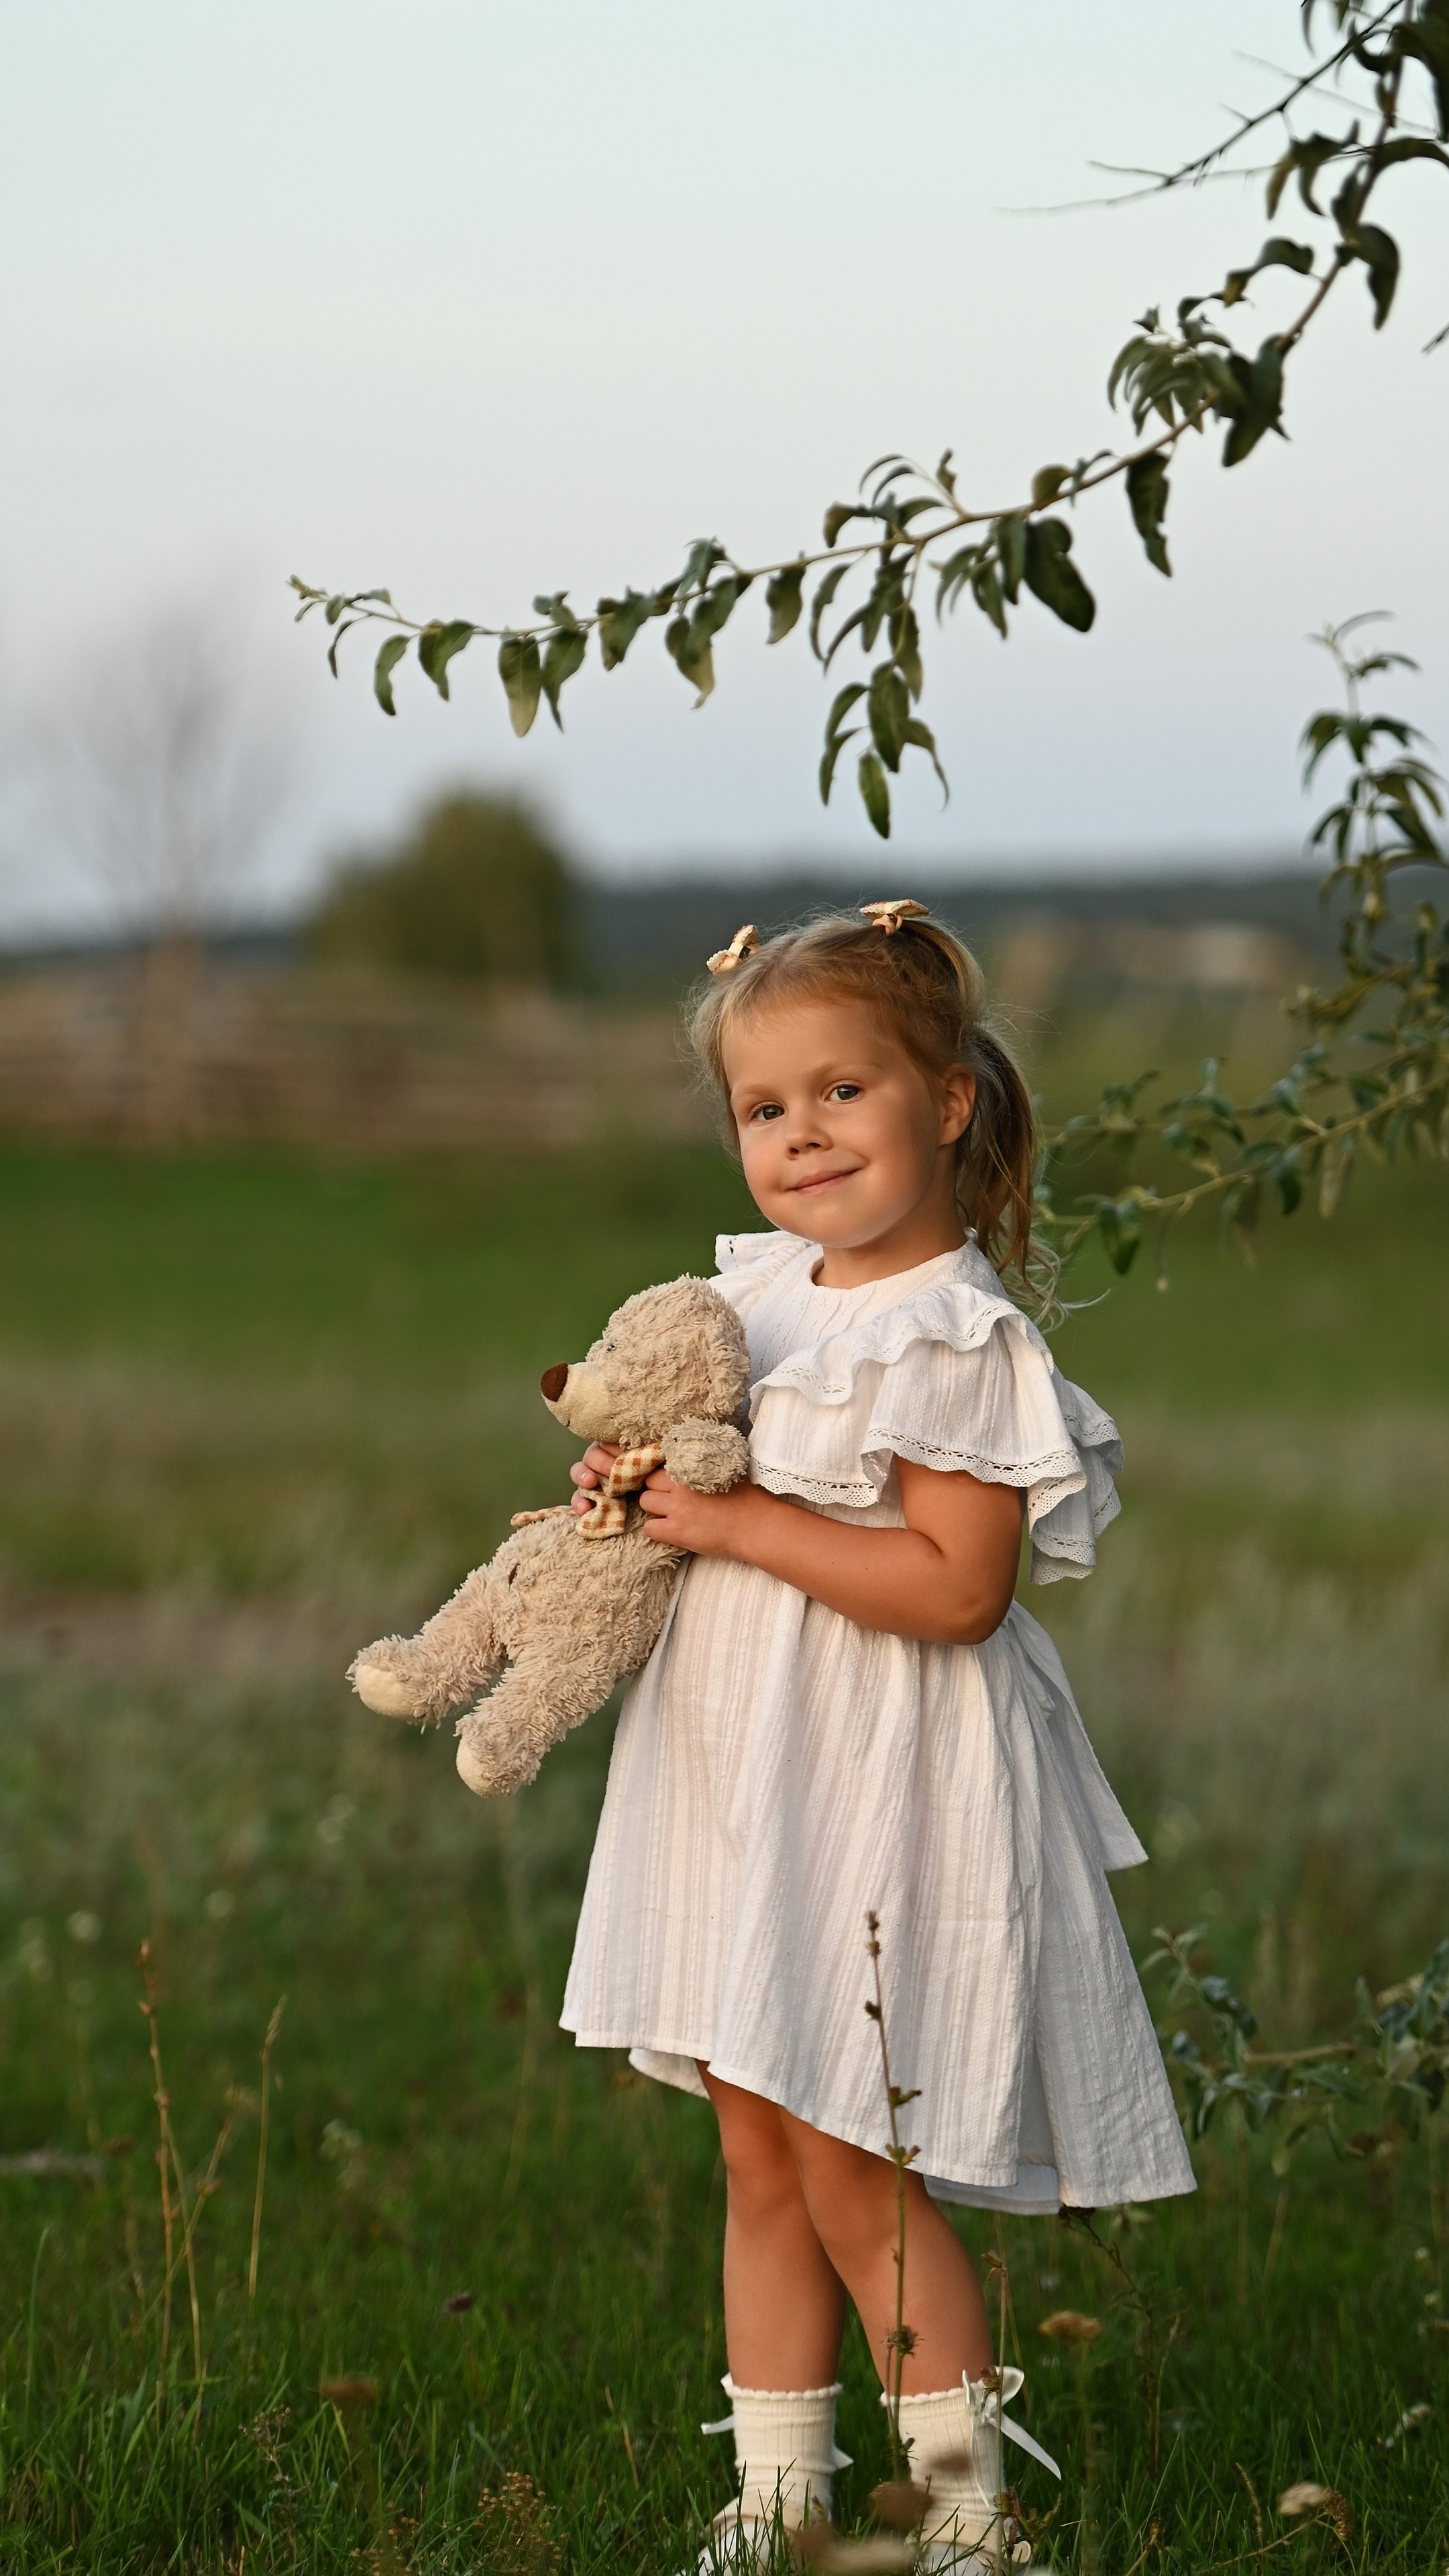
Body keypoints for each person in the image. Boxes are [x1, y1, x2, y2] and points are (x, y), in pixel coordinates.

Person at [559, 903, 1193, 2572]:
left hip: (876, 1779)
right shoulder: (759, 1302)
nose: (802, 1134)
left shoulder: (956, 1334)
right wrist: (638, 1495)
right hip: (741, 1771)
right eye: (765, 1109)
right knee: (757, 2147)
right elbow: (701, 1471)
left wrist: (733, 1525)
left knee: (854, 2156)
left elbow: (956, 1588)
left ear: (949, 1100)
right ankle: (776, 2507)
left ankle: (966, 2518)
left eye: (843, 1090)